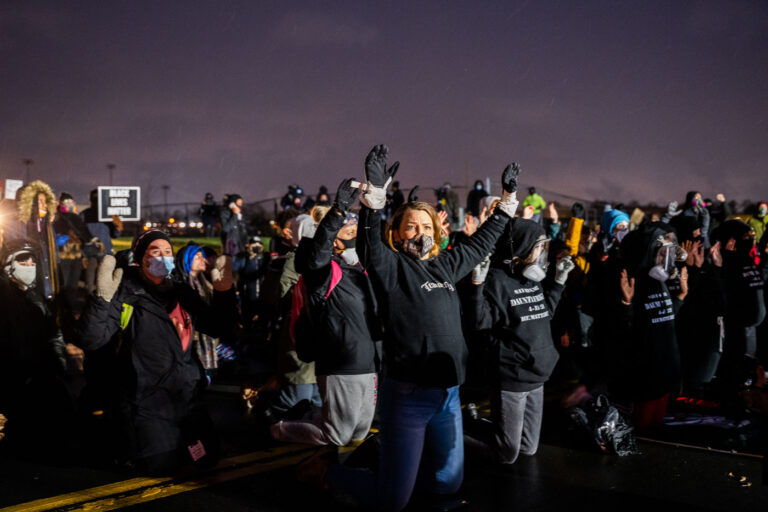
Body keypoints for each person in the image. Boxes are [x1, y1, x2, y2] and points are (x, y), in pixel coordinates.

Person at [322, 145, 521, 512]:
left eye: (426, 226)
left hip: (447, 396)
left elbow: (483, 242)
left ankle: (391, 461)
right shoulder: (391, 266)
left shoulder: (446, 266)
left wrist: (508, 199)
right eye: (411, 226)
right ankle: (330, 473)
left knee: (447, 483)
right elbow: (368, 243)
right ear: (397, 234)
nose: (419, 232)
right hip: (409, 398)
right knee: (393, 501)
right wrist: (376, 197)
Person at [76, 229, 237, 475]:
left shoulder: (181, 292)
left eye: (167, 251)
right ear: (140, 258)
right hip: (146, 398)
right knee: (161, 465)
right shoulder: (125, 292)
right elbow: (91, 339)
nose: (163, 256)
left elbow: (219, 327)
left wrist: (224, 293)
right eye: (155, 251)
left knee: (207, 458)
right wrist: (101, 300)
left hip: (185, 395)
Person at [271, 178, 379, 447]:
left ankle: (306, 421)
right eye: (347, 222)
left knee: (359, 433)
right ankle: (276, 428)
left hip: (368, 361)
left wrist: (375, 198)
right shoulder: (324, 269)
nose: (351, 223)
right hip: (340, 362)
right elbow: (316, 255)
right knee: (337, 434)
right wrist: (338, 210)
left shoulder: (356, 266)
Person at [463, 219, 574, 464]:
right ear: (522, 246)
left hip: (537, 375)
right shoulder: (497, 280)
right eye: (539, 247)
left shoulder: (531, 278)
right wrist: (477, 286)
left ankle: (478, 425)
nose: (542, 253)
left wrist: (558, 281)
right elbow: (480, 322)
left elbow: (545, 311)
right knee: (506, 454)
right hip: (512, 376)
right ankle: (452, 437)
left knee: (528, 448)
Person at [615, 222, 688, 429]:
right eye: (659, 254)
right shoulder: (634, 282)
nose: (664, 259)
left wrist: (681, 297)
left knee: (656, 425)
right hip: (648, 372)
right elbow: (627, 330)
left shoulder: (659, 281)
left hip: (666, 370)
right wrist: (626, 303)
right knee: (643, 428)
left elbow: (665, 316)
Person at [53, 192, 98, 342]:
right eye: (66, 202)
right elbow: (55, 237)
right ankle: (61, 320)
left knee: (72, 288)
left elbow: (86, 235)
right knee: (64, 288)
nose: (69, 204)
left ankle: (69, 319)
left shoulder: (77, 218)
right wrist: (64, 238)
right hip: (64, 258)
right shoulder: (58, 218)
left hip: (76, 258)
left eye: (71, 201)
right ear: (61, 204)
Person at [81, 189, 123, 294]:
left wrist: (118, 226)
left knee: (105, 283)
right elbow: (79, 237)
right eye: (94, 199)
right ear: (90, 200)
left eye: (99, 199)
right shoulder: (83, 215)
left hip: (106, 254)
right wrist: (83, 255)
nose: (96, 202)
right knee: (90, 284)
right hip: (90, 255)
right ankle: (91, 306)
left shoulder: (109, 215)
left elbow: (116, 235)